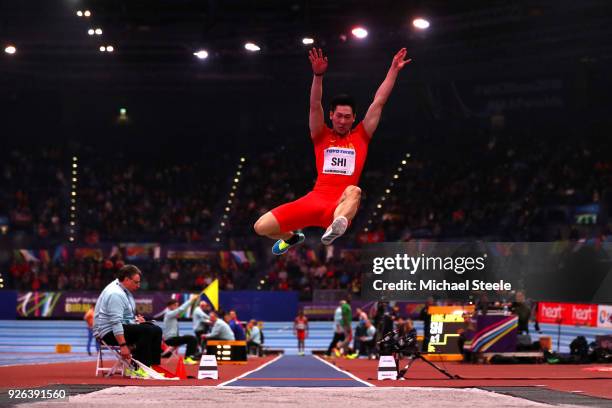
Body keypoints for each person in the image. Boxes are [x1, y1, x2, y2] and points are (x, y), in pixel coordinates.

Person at [254, 47, 411, 255]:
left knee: (355, 190)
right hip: (314, 200)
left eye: (347, 117)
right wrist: (318, 76)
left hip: (340, 204)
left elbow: (379, 102)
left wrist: (393, 70)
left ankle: (335, 227)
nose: (343, 121)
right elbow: (314, 104)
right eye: (339, 116)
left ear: (354, 118)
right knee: (261, 227)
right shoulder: (321, 134)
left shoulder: (362, 135)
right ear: (331, 115)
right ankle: (291, 237)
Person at [93, 265, 162, 378]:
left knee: (155, 329)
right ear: (126, 279)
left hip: (115, 328)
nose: (138, 285)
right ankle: (137, 369)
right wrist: (123, 345)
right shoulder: (116, 294)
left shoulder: (123, 290)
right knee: (147, 330)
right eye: (136, 282)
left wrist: (135, 320)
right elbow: (116, 322)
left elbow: (123, 318)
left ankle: (152, 367)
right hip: (107, 333)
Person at [163, 297, 199, 365]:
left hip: (172, 338)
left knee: (191, 338)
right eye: (175, 305)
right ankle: (188, 358)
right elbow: (181, 309)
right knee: (192, 338)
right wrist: (190, 301)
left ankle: (190, 357)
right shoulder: (169, 314)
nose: (177, 307)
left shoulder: (171, 315)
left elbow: (181, 310)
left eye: (177, 305)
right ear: (170, 306)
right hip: (170, 340)